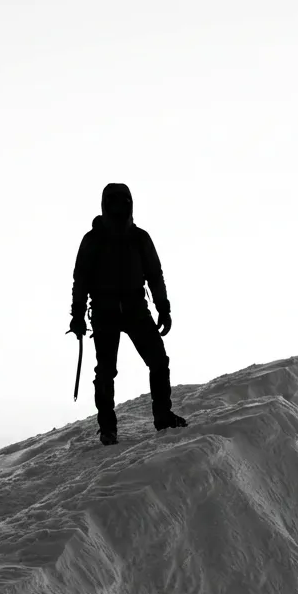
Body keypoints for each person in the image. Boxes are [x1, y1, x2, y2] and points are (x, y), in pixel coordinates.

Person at [69, 183, 188, 444]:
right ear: (105, 205)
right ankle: (108, 428)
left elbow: (155, 275)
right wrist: (77, 314)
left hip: (134, 309)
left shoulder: (139, 238)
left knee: (157, 360)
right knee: (106, 371)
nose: (118, 207)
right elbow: (82, 279)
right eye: (114, 202)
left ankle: (162, 416)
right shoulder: (94, 239)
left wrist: (163, 308)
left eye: (123, 202)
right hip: (105, 311)